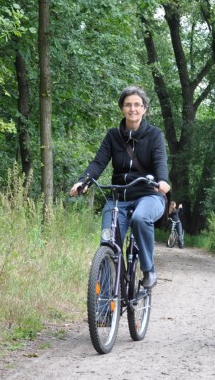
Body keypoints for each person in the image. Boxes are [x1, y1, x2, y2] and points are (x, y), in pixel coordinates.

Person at [69, 85, 170, 289]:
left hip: (148, 195)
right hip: (118, 198)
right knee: (108, 244)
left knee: (140, 218)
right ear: (122, 108)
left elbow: (160, 160)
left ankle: (149, 269)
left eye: (137, 105)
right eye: (128, 105)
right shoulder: (113, 136)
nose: (132, 109)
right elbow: (98, 162)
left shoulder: (154, 135)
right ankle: (106, 306)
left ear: (144, 109)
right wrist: (83, 181)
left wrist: (163, 181)